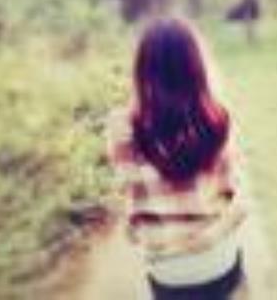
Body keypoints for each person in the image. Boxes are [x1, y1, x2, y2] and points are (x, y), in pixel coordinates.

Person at [106, 16, 249, 299]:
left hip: (167, 268)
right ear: (196, 66)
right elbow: (233, 194)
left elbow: (128, 192)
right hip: (217, 258)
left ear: (142, 69)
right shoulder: (216, 118)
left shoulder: (120, 127)